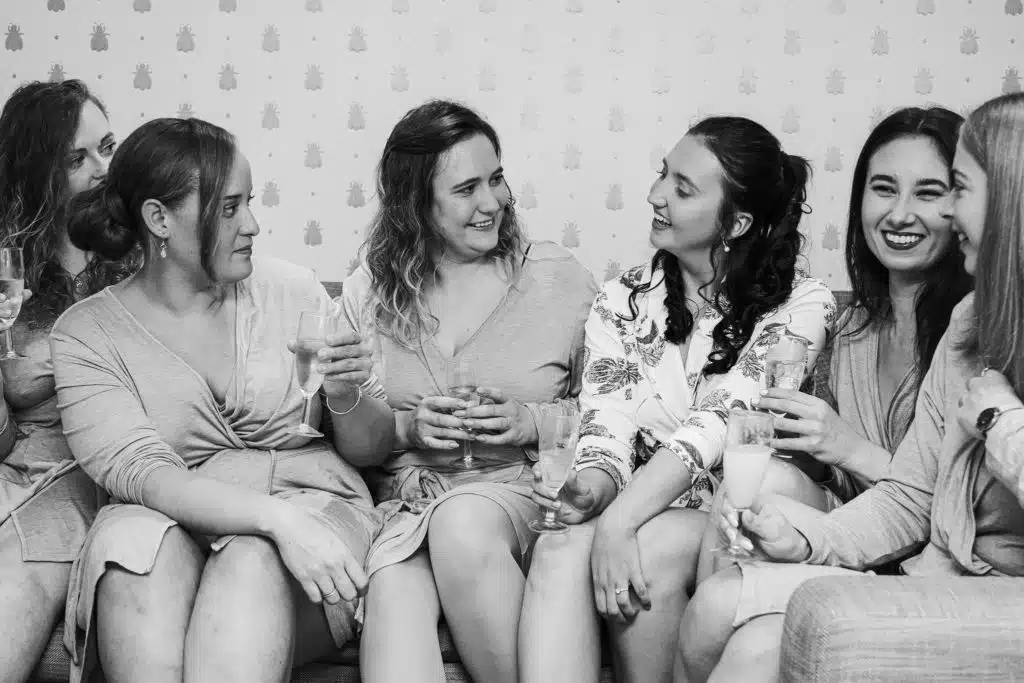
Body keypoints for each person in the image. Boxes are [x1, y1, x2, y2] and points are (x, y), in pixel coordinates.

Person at [687, 91, 1024, 683]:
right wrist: (803, 538)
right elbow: (911, 498)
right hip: (935, 576)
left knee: (759, 649)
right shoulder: (973, 322)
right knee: (715, 607)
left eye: (953, 190)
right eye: (884, 188)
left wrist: (1000, 420)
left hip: (996, 595)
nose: (942, 213)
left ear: (1011, 201)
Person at [51, 117, 392, 683]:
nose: (253, 224)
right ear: (158, 218)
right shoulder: (85, 335)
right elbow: (147, 477)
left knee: (251, 557)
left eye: (249, 203)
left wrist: (346, 394)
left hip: (313, 512)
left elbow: (371, 450)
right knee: (133, 550)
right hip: (176, 517)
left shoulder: (294, 292)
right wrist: (276, 519)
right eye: (229, 208)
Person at [520, 116, 836, 683]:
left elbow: (724, 422)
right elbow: (606, 424)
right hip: (648, 509)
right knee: (558, 549)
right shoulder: (621, 301)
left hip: (752, 512)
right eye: (663, 174)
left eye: (682, 187)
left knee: (652, 544)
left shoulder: (802, 306)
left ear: (736, 222)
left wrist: (620, 522)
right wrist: (589, 489)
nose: (655, 194)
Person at [349, 99, 597, 683]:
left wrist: (530, 421)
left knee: (460, 525)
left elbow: (617, 415)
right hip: (408, 508)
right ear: (416, 202)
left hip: (519, 501)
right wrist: (406, 428)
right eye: (467, 189)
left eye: (497, 178)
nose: (493, 202)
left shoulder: (558, 279)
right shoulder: (372, 291)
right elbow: (355, 444)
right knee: (391, 587)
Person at [690, 106, 973, 582]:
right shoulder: (850, 327)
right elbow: (842, 483)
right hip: (853, 534)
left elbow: (950, 503)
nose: (899, 214)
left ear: (964, 205)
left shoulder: (975, 332)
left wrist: (847, 447)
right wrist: (808, 453)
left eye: (929, 193)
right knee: (758, 483)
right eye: (883, 189)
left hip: (934, 560)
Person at [0, 79, 137, 683]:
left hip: (85, 468)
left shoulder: (142, 250)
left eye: (106, 147)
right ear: (37, 172)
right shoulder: (9, 267)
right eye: (77, 158)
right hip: (13, 462)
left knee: (22, 566)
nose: (104, 169)